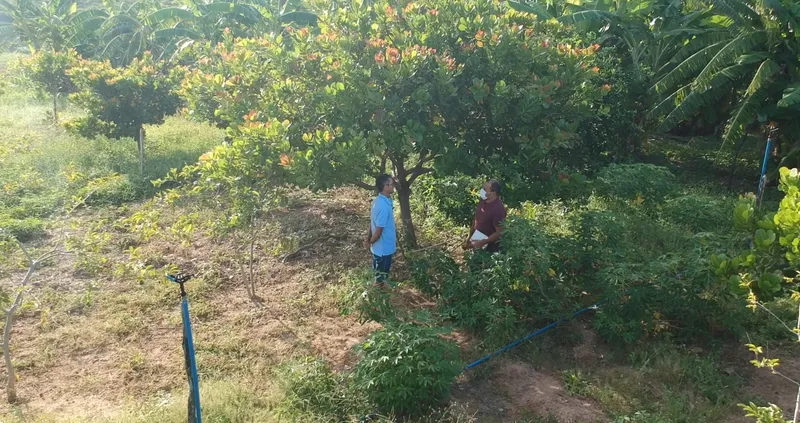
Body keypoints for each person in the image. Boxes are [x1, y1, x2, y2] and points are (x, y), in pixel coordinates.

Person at [365, 174, 397, 284]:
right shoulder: (383, 206)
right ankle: (379, 296)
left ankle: (379, 292)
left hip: (381, 248)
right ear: (385, 186)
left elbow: (372, 223)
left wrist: (368, 239)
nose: (393, 186)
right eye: (392, 184)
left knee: (379, 273)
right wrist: (371, 242)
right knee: (381, 277)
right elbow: (378, 231)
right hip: (383, 249)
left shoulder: (378, 201)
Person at [465, 180, 507, 253]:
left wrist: (482, 242)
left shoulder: (498, 209)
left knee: (482, 262)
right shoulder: (483, 200)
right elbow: (476, 218)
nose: (482, 191)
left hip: (489, 245)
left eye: (485, 189)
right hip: (477, 237)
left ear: (493, 193)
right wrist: (470, 236)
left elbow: (499, 232)